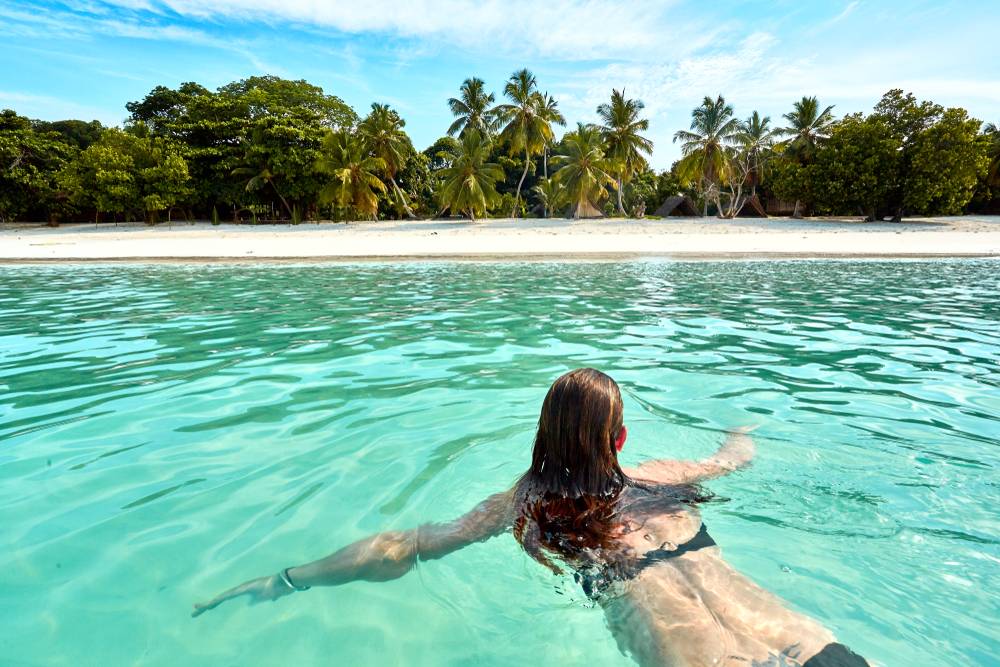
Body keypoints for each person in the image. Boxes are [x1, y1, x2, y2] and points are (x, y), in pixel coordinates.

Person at [193, 368, 869, 667]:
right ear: (621, 439)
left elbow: (403, 547)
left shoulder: (523, 505)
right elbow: (731, 459)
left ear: (543, 434)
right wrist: (740, 428)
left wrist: (288, 578)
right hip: (804, 639)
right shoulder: (662, 476)